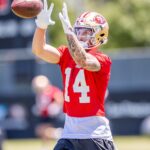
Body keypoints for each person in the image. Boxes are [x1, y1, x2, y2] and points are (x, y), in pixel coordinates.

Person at [32, 0, 116, 149]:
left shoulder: (103, 60)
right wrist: (41, 27)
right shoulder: (66, 54)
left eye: (86, 32)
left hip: (95, 136)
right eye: (78, 30)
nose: (80, 35)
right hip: (69, 134)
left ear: (99, 34)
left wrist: (69, 33)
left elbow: (83, 60)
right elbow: (40, 50)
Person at [31, 75, 64, 147]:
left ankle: (59, 133)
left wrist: (55, 107)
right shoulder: (40, 93)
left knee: (44, 131)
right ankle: (45, 146)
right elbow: (41, 104)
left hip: (53, 115)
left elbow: (60, 99)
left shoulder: (53, 90)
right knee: (40, 131)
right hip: (44, 115)